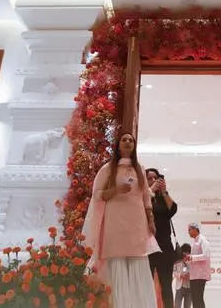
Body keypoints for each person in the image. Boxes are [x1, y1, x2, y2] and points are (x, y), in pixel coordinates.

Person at [82, 132, 156, 307]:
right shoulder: (108, 169)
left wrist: (150, 219)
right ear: (118, 145)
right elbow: (97, 194)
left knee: (138, 260)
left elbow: (146, 196)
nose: (128, 142)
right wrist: (115, 190)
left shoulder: (140, 169)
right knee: (117, 263)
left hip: (137, 224)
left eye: (131, 140)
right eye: (124, 140)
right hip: (114, 224)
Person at [146, 167, 178, 308]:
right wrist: (150, 191)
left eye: (156, 178)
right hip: (147, 247)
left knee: (166, 285)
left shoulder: (162, 198)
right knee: (146, 285)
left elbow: (173, 209)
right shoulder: (143, 197)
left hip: (165, 247)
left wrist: (164, 191)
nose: (153, 181)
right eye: (149, 178)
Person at [186, 223, 211, 308]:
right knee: (194, 299)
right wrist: (189, 259)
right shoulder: (195, 241)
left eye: (189, 230)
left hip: (200, 275)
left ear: (195, 229)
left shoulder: (203, 240)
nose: (188, 232)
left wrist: (192, 257)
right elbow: (194, 258)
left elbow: (206, 255)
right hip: (194, 275)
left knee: (198, 298)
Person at [174, 243, 192, 308]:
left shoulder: (191, 261)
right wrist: (180, 276)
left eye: (187, 252)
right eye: (184, 252)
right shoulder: (177, 261)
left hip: (189, 287)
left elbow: (194, 271)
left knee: (187, 306)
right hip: (179, 286)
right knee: (177, 306)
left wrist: (190, 275)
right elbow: (174, 271)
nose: (185, 254)